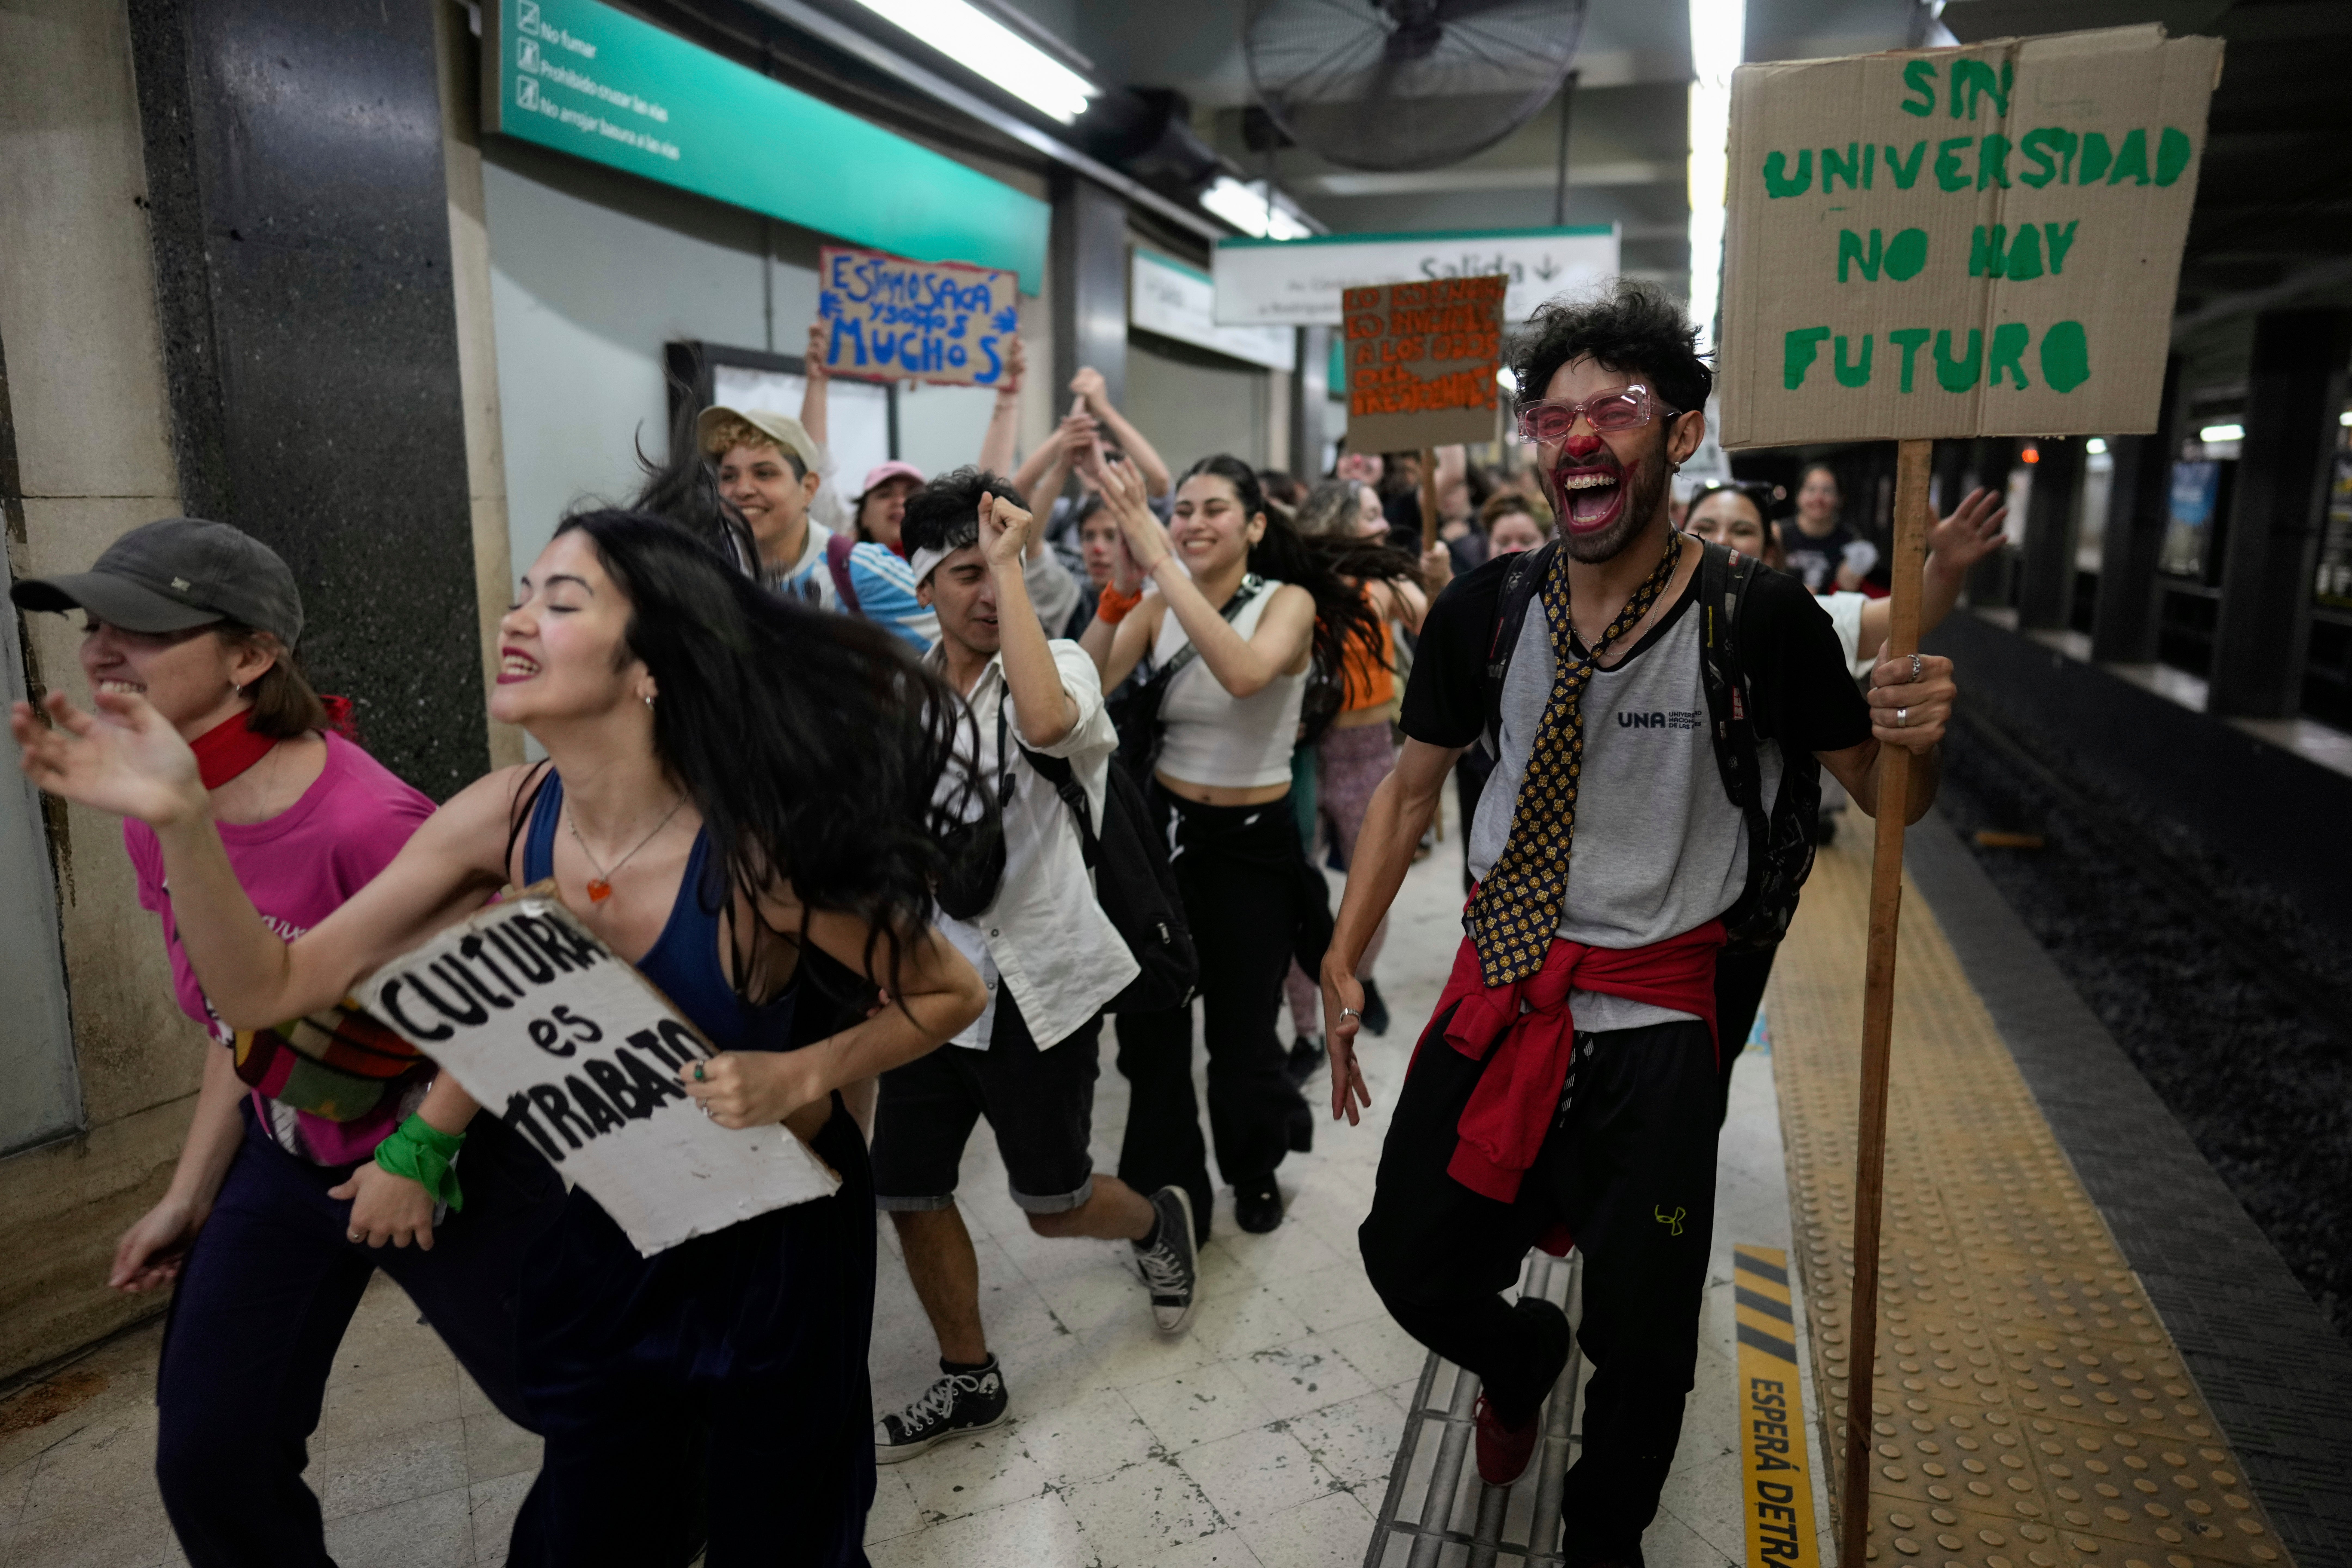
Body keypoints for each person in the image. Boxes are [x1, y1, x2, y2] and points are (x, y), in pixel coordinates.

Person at [16, 511, 990, 1567]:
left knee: (784, 1535)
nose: (515, 620)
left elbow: (950, 991)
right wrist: (179, 819)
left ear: (651, 663)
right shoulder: (500, 816)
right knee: (588, 1527)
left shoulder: (760, 854)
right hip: (611, 1224)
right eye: (522, 593)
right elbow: (269, 991)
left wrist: (802, 1067)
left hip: (779, 1249)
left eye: (561, 603)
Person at [1316, 279, 1956, 1565]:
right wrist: (1345, 950)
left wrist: (1920, 743)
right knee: (1408, 1259)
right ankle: (1519, 1351)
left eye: (1614, 408)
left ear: (1680, 432)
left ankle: (1603, 1530)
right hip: (1502, 983)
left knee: (1649, 1336)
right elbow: (1410, 788)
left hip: (1661, 1017)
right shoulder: (1482, 612)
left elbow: (1887, 805)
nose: (1579, 438)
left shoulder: (1758, 619)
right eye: (1552, 420)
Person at [7, 519, 565, 1567]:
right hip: (285, 1151)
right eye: (95, 624)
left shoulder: (367, 820)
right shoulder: (156, 799)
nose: (100, 650)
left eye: (143, 626)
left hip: (447, 1153)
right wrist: (192, 1190)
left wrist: (421, 1154)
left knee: (596, 1412)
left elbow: (503, 1006)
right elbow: (239, 1020)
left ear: (252, 654)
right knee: (213, 1452)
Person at [868, 469, 1203, 1462]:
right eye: (965, 571)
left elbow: (1049, 724)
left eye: (1000, 566)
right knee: (910, 1185)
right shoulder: (904, 695)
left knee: (1052, 1205)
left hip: (1039, 986)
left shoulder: (1056, 660)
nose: (984, 588)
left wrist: (1014, 564)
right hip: (935, 981)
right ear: (923, 583)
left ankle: (1153, 1222)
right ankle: (969, 1378)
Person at [1080, 454, 1406, 1235]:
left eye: (1212, 509)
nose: (1192, 523)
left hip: (1255, 849)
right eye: (1182, 509)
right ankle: (1170, 1191)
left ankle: (1252, 1168)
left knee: (1241, 1028)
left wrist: (1160, 562)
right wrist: (1124, 590)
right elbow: (1076, 696)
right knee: (1153, 1035)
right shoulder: (1156, 605)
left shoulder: (1286, 602)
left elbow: (1245, 676)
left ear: (1255, 526)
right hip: (1166, 843)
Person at [1685, 477, 2005, 1104]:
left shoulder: (1798, 617)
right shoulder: (1639, 614)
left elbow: (1903, 617)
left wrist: (1944, 565)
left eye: (1743, 529)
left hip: (1743, 907)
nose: (1724, 540)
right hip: (1654, 903)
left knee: (1702, 1081)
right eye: (1707, 527)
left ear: (1770, 551)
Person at [1278, 478, 1445, 1072]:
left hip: (1372, 753)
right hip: (1300, 757)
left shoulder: (1386, 583)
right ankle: (1306, 1032)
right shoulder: (1293, 587)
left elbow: (1440, 634)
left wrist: (1436, 581)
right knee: (1298, 899)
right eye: (1371, 514)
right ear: (1341, 520)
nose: (1383, 525)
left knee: (1373, 889)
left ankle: (1361, 982)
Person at [697, 401, 940, 652]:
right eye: (729, 476)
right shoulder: (702, 570)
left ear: (810, 488)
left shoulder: (858, 570)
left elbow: (961, 639)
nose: (743, 490)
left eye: (765, 474)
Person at [1781, 462, 1877, 593]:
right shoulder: (1778, 533)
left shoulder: (1849, 538)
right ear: (1798, 495)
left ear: (1840, 499)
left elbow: (1848, 589)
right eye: (1811, 490)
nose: (1818, 498)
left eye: (1827, 491)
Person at [851, 460, 926, 553]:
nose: (901, 502)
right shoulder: (840, 565)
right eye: (885, 495)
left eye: (913, 495)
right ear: (864, 516)